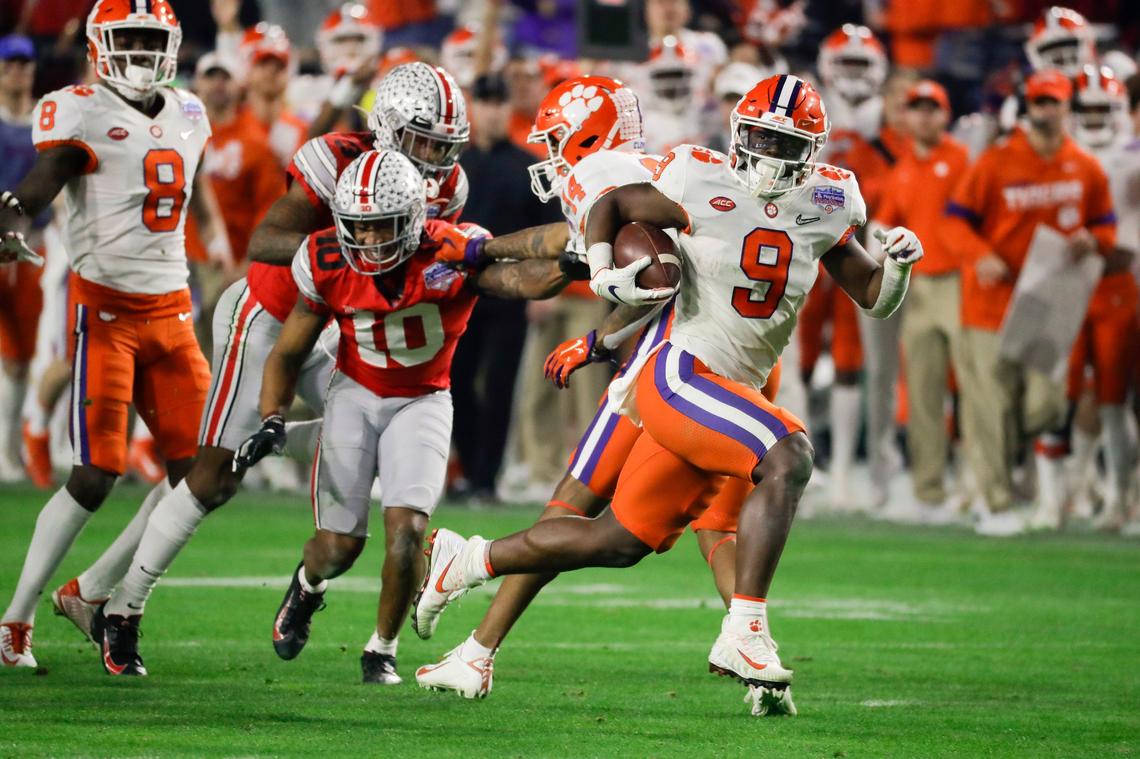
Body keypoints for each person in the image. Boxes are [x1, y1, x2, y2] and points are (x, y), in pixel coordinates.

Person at [413, 74, 924, 717]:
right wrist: (598, 291)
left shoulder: (828, 200)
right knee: (787, 456)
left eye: (785, 142)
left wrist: (899, 267)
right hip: (677, 373)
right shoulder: (694, 175)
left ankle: (469, 560)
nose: (768, 151)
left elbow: (875, 299)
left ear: (812, 150)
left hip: (733, 385)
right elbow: (617, 226)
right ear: (738, 131)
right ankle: (743, 634)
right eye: (760, 135)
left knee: (621, 540)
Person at [46, 61, 480, 677]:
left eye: (445, 144)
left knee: (376, 430)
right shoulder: (334, 158)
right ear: (386, 127)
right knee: (213, 478)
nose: (436, 157)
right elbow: (266, 240)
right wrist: (352, 241)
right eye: (424, 139)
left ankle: (93, 585)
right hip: (269, 319)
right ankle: (123, 609)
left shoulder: (450, 186)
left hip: (339, 323)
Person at [416, 75, 773, 700]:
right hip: (730, 374)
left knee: (579, 513)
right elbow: (560, 248)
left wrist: (598, 339)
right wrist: (480, 256)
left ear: (588, 134)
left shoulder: (612, 176)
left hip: (666, 373)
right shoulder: (655, 172)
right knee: (713, 526)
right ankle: (755, 657)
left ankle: (470, 600)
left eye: (559, 138)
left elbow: (624, 278)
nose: (552, 154)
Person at [246, 149, 569, 685]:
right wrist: (273, 416)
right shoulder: (326, 258)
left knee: (407, 533)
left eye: (382, 227)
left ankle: (381, 648)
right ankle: (308, 583)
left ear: (412, 220)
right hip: (353, 393)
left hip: (423, 398)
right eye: (358, 228)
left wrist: (574, 264)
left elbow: (521, 281)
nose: (369, 240)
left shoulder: (446, 252)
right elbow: (287, 351)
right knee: (338, 548)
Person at [0, 0, 231, 669]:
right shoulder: (79, 108)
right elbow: (42, 183)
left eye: (149, 39)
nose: (137, 50)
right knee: (98, 472)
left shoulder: (190, 112)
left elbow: (187, 194)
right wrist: (11, 221)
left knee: (205, 475)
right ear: (100, 44)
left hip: (173, 308)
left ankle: (97, 592)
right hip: (106, 310)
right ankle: (15, 619)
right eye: (125, 37)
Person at [945, 68, 1117, 536]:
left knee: (1047, 406)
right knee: (990, 405)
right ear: (1029, 106)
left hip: (1046, 304)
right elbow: (954, 221)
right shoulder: (996, 162)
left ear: (1067, 107)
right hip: (989, 303)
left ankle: (1004, 469)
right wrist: (979, 255)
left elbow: (1107, 223)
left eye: (1054, 101)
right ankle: (994, 505)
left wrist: (1094, 238)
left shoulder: (1084, 165)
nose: (1046, 110)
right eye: (1039, 102)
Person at [449, 73, 562, 501]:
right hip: (460, 290)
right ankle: (469, 471)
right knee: (457, 381)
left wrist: (544, 287)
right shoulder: (457, 164)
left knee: (499, 386)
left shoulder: (526, 166)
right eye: (485, 101)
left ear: (506, 107)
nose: (492, 110)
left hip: (513, 292)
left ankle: (486, 478)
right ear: (474, 107)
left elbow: (551, 231)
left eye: (499, 102)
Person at [873, 79, 971, 521]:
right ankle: (929, 491)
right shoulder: (904, 167)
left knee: (976, 388)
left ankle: (978, 484)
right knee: (924, 392)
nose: (924, 116)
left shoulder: (963, 160)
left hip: (960, 283)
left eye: (932, 108)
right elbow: (886, 223)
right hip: (919, 289)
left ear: (945, 115)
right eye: (917, 108)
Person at [1065, 64, 1138, 531]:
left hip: (1122, 286)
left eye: (1102, 109)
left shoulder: (1127, 159)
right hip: (1086, 288)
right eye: (1085, 109)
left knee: (1117, 401)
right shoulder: (1070, 157)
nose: (1094, 118)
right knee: (1097, 400)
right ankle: (1103, 493)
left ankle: (1117, 496)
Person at [0, 34, 47, 483]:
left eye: (24, 64)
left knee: (20, 356)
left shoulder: (43, 123)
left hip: (32, 249)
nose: (17, 72)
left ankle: (8, 452)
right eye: (10, 64)